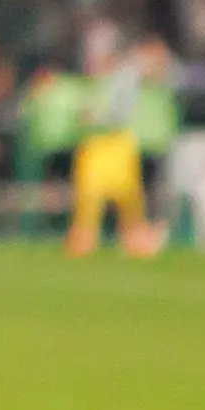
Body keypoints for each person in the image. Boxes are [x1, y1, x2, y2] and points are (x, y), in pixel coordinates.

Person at [66, 24, 169, 259]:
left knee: (128, 196)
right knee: (89, 195)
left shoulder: (124, 76)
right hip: (95, 143)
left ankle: (138, 238)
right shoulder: (95, 79)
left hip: (116, 142)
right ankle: (84, 237)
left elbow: (118, 112)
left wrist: (95, 116)